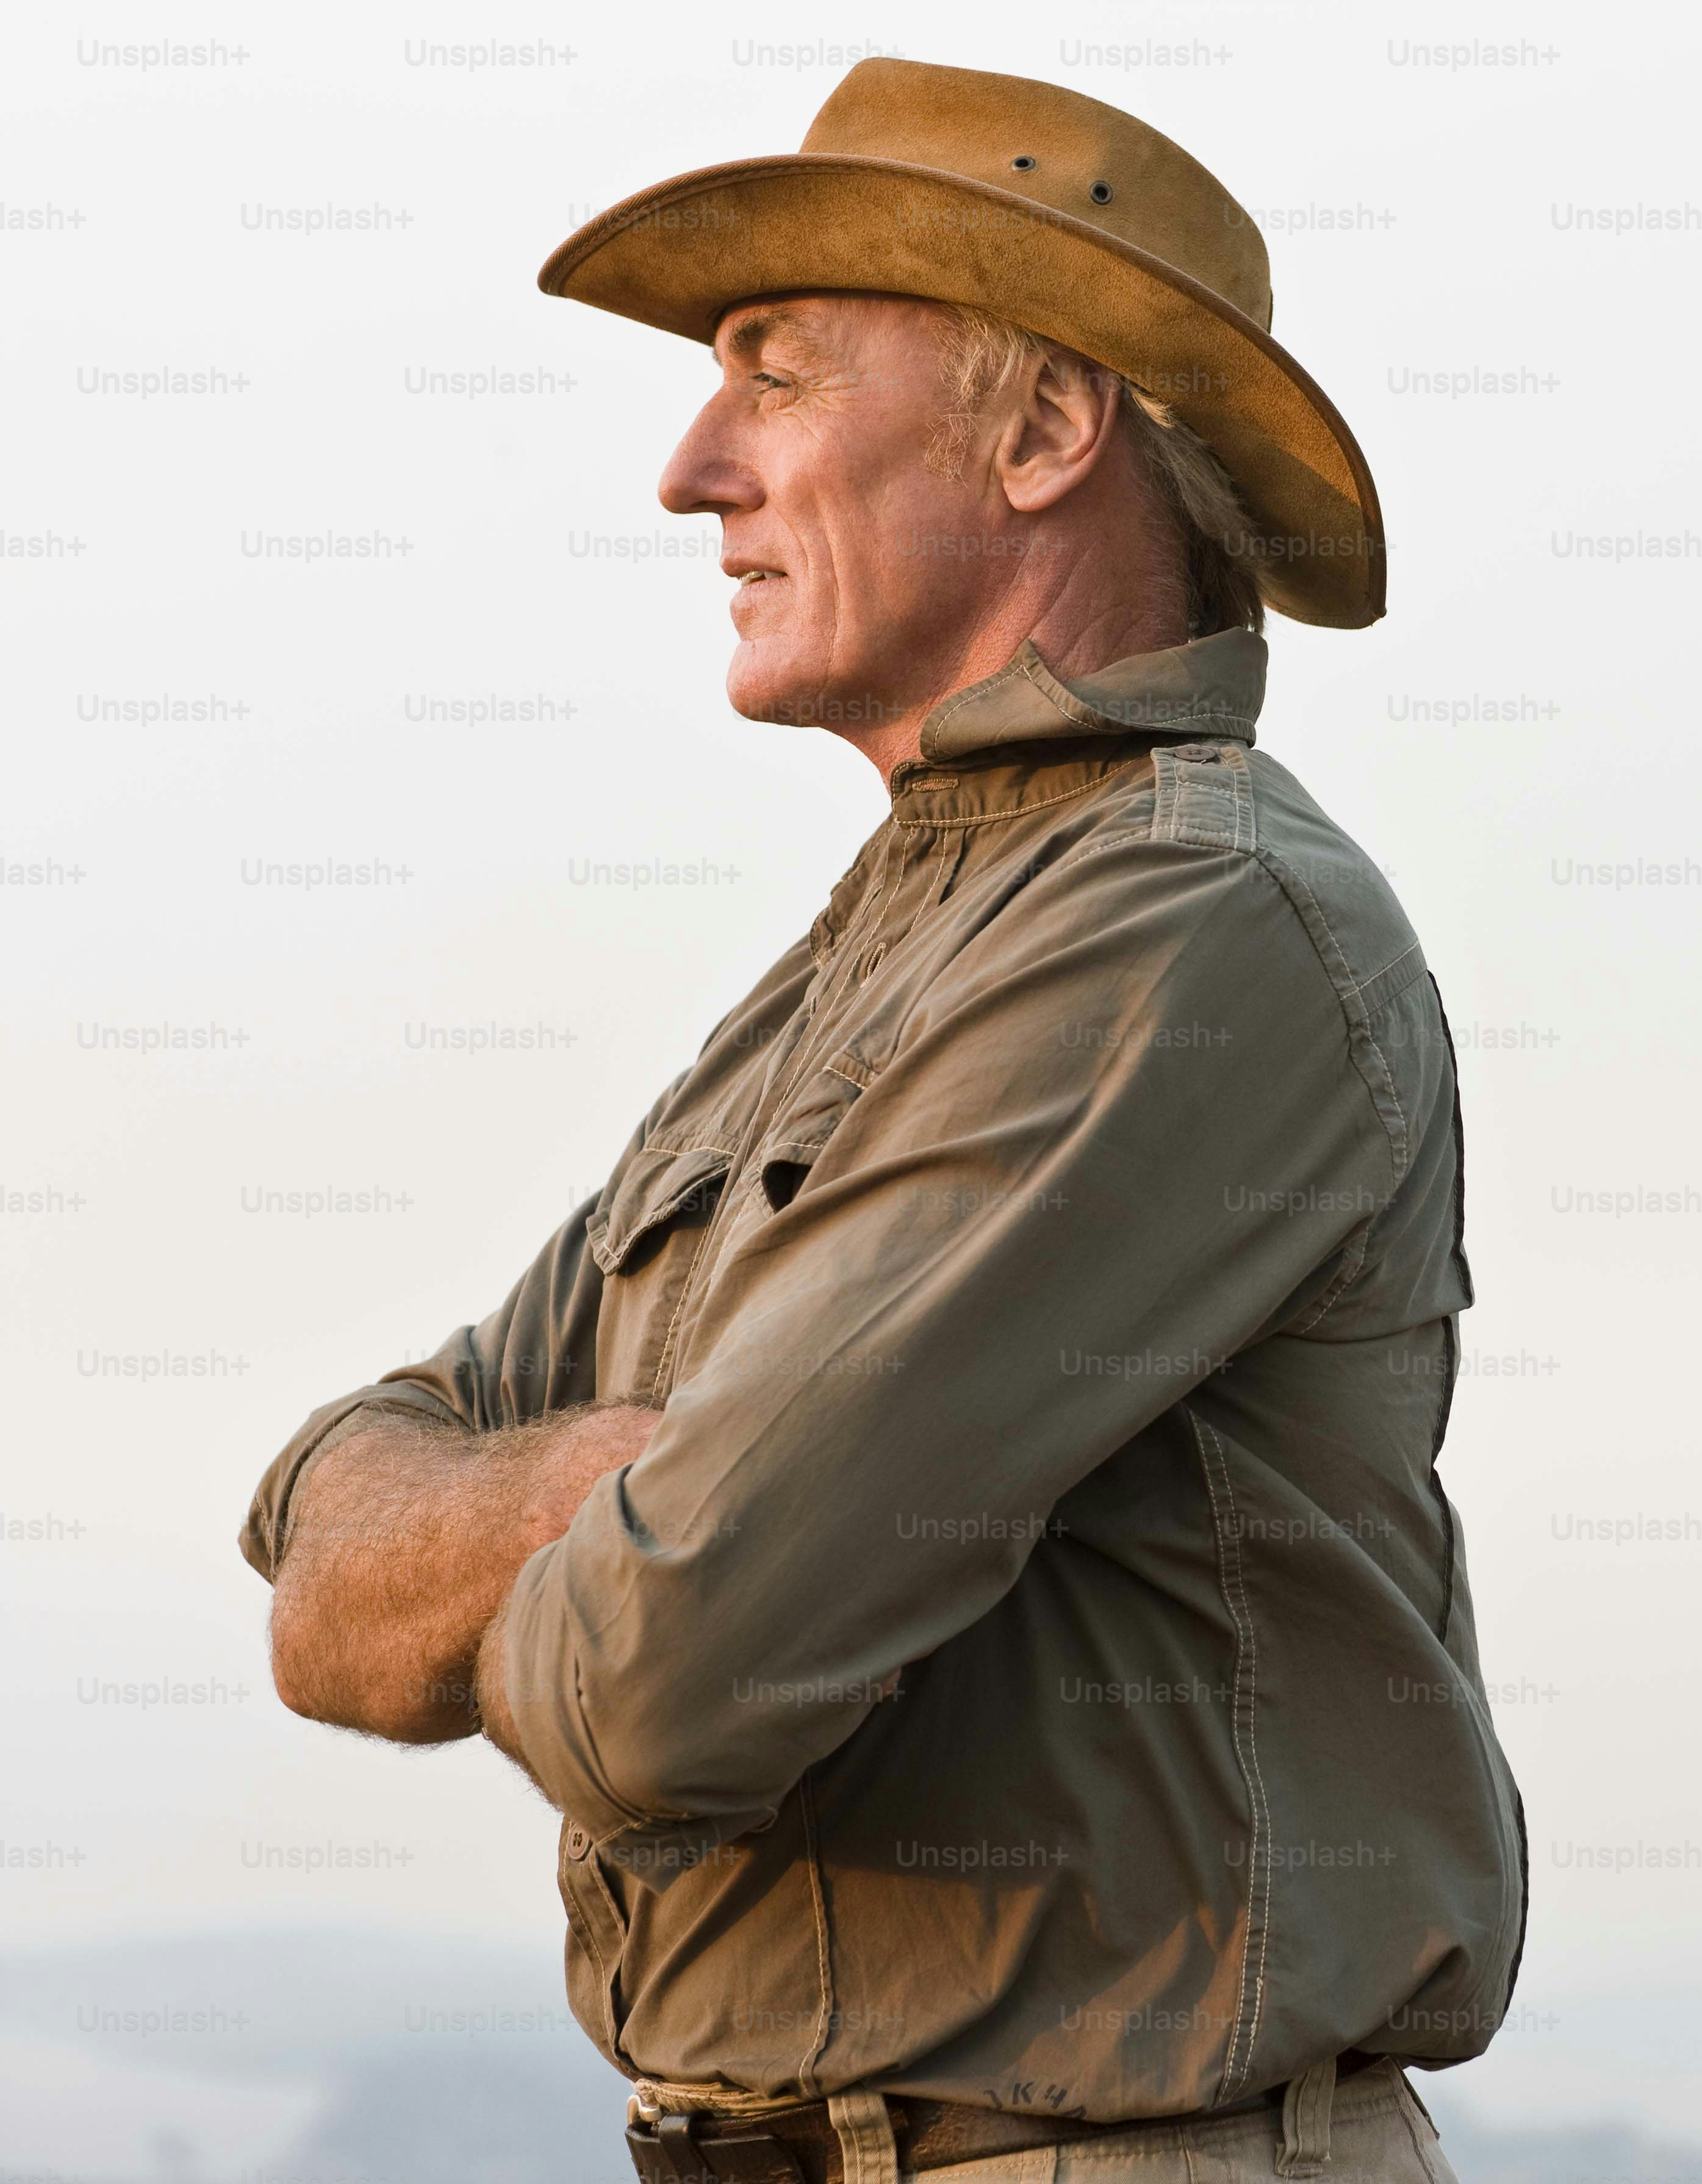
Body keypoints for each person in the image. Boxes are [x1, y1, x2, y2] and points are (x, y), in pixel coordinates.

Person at [237, 59, 1522, 2184]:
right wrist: (584, 1479)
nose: (689, 469)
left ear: (1044, 429)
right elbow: (316, 1559)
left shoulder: (1189, 918)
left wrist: (575, 1537)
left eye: (777, 371)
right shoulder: (876, 956)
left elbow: (663, 1679)